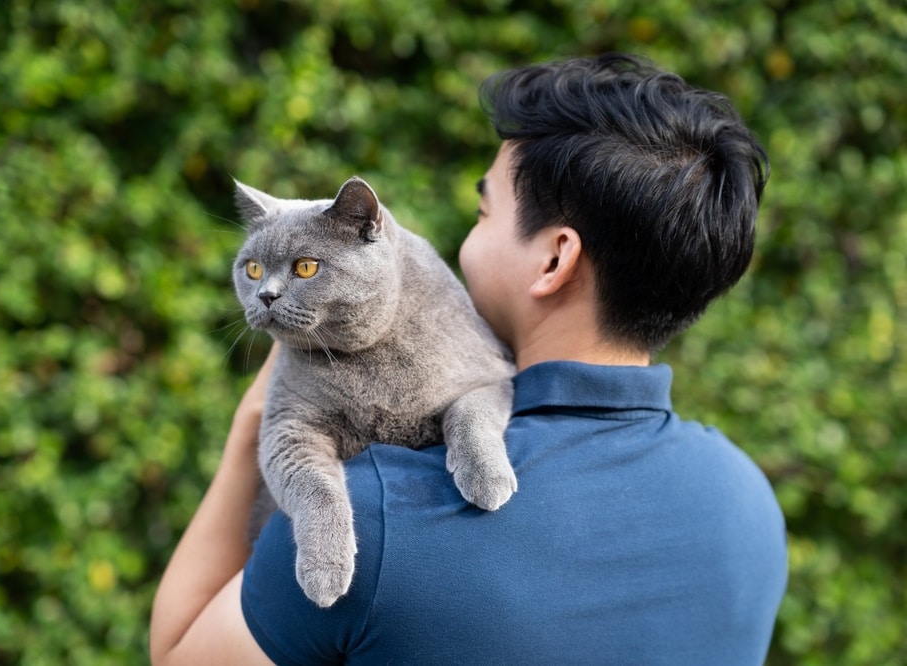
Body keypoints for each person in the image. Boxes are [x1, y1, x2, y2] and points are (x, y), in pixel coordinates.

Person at [149, 52, 788, 664]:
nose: (463, 236)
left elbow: (178, 653)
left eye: (484, 211)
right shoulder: (748, 499)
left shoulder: (374, 511)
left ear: (554, 259)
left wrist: (251, 425)